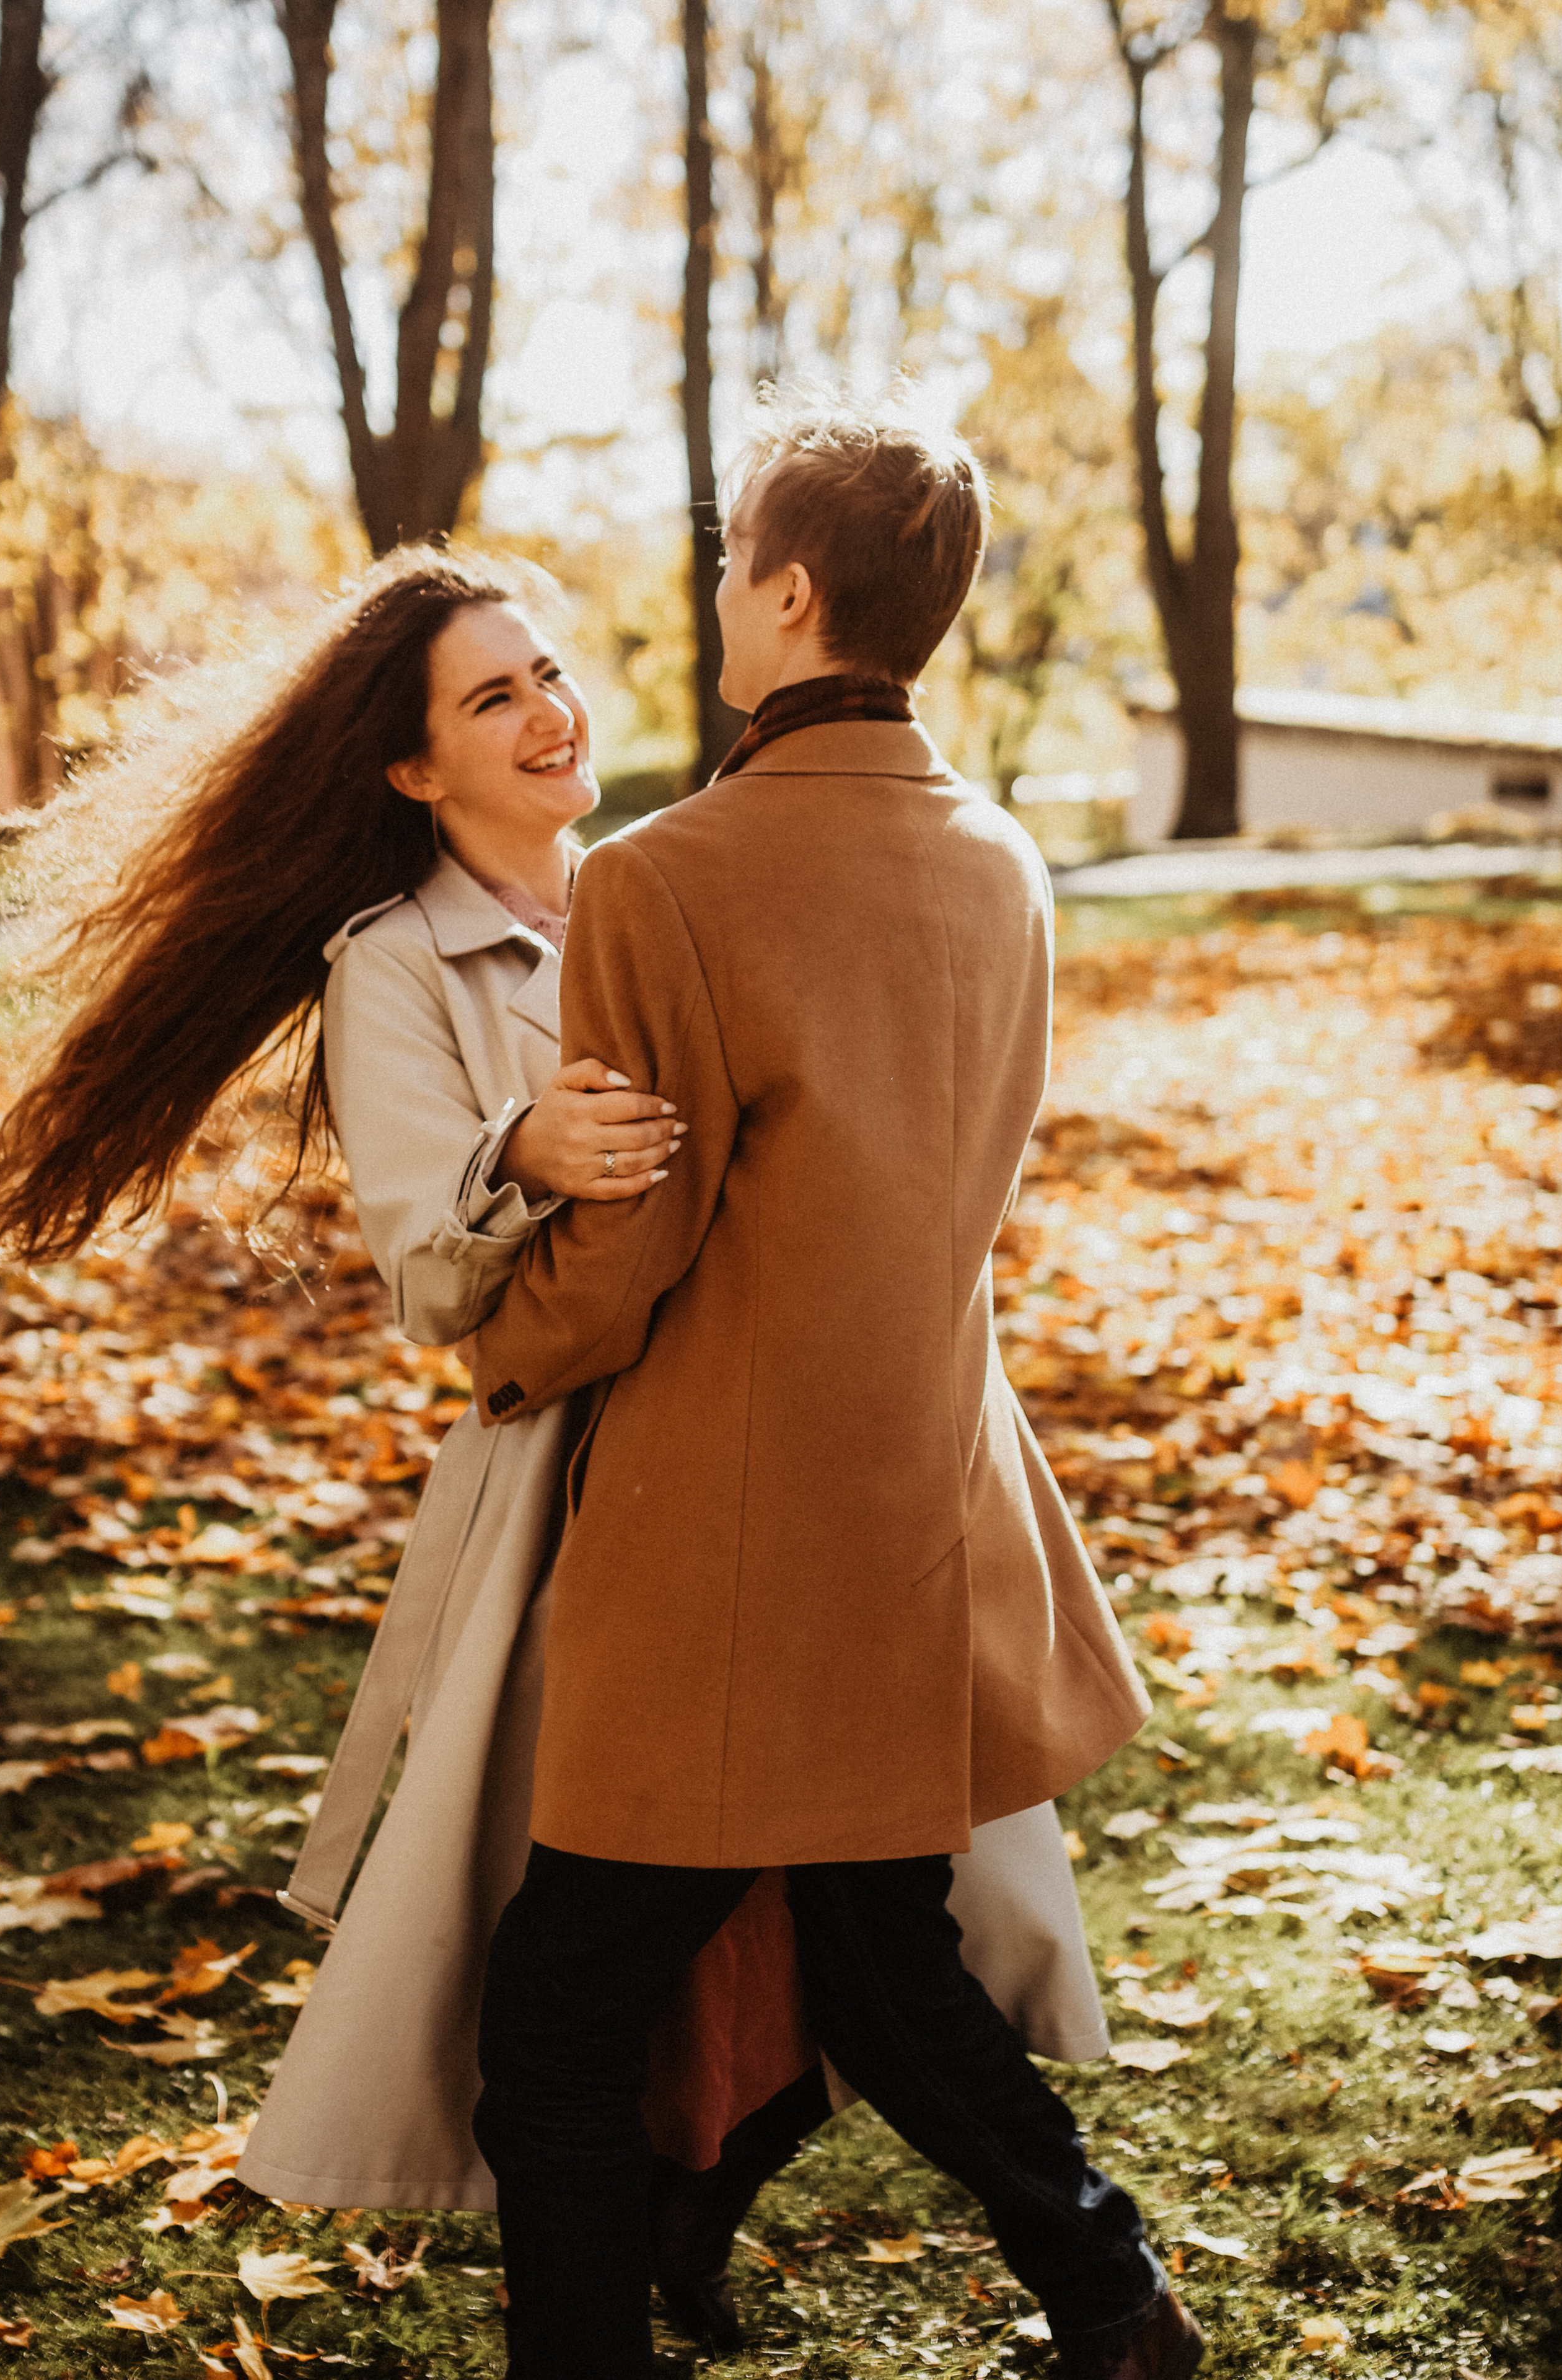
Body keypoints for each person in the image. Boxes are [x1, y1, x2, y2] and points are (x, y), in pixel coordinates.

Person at [0, 539, 1118, 2350]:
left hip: (796, 1471)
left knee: (802, 1948)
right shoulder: (396, 969)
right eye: (491, 695)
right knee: (738, 1942)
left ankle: (764, 2231)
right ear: (413, 769)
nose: (550, 711)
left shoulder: (683, 881)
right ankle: (1024, 2269)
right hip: (591, 1500)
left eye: (553, 672)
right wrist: (524, 1155)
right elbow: (433, 1276)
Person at [467, 392, 1201, 2380]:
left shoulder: (661, 880)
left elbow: (624, 1245)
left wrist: (497, 1341)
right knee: (884, 1964)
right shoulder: (1006, 866)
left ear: (790, 593)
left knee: (552, 2019)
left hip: (720, 1545)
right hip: (916, 1512)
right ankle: (1117, 2302)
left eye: (728, 558)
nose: (716, 588)